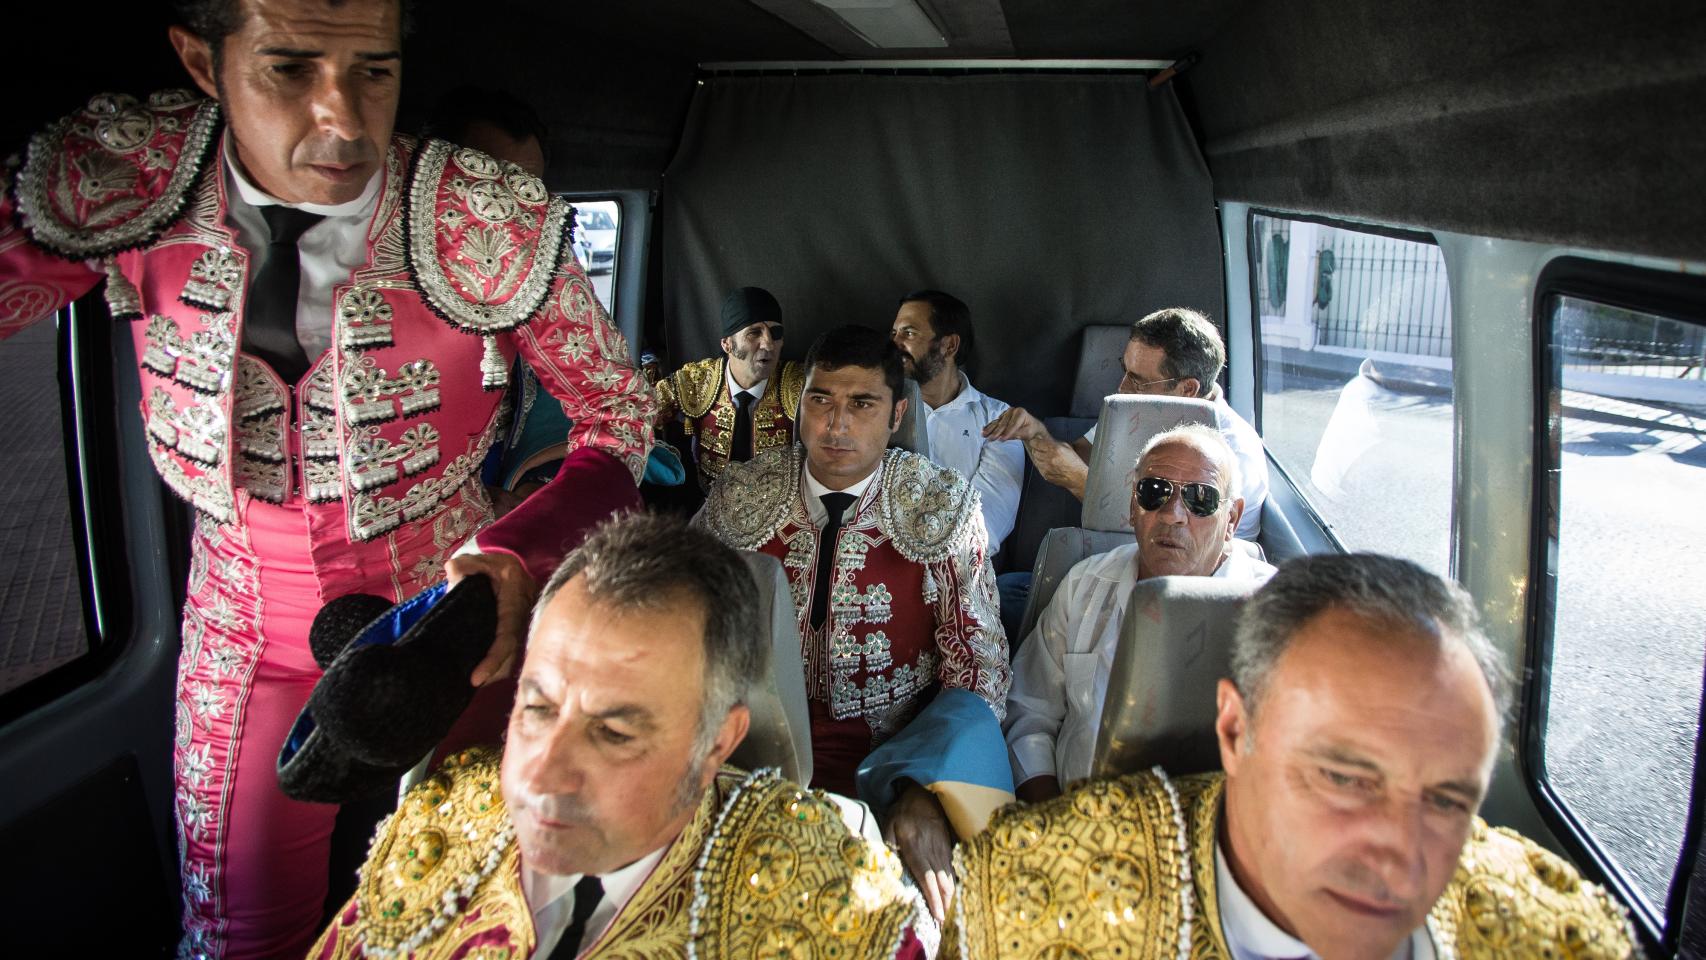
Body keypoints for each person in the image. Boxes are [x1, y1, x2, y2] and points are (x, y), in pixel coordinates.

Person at [0, 1, 653, 956]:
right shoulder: (125, 179)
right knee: (238, 934)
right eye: (290, 70)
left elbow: (622, 417)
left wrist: (512, 564)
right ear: (200, 59)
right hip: (239, 630)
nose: (343, 120)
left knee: (489, 917)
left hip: (451, 618)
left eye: (374, 73)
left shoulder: (483, 214)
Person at [949, 554, 1636, 959]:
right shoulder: (1029, 904)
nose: (1400, 855)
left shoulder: (1556, 935)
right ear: (1234, 732)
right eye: (1343, 777)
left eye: (1448, 799)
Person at [310, 513, 925, 958]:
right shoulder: (439, 821)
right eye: (537, 707)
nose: (538, 775)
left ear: (718, 741)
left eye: (612, 732)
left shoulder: (834, 908)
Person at [694, 324, 1010, 919]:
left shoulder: (942, 505)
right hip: (746, 749)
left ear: (896, 417)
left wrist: (926, 789)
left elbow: (979, 665)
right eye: (821, 400)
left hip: (894, 759)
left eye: (862, 404)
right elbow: (685, 630)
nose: (836, 425)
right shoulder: (740, 495)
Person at [1004, 425, 1275, 801]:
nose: (1173, 515)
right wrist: (1052, 821)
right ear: (1133, 506)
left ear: (1231, 520)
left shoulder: (1278, 618)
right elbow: (1029, 712)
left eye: (1201, 498)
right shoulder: (1084, 584)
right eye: (1154, 492)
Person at [984, 307, 1268, 539]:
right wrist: (1036, 432)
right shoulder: (1144, 409)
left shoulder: (1232, 453)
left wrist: (1079, 481)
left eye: (1139, 381)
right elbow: (1078, 454)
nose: (1122, 388)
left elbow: (1176, 536)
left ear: (1188, 390)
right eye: (1125, 371)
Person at [889, 290, 1023, 555]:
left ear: (949, 345)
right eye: (894, 333)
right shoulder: (877, 410)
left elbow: (988, 523)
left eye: (909, 333)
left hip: (958, 571)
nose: (895, 343)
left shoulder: (997, 418)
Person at [655, 286, 804, 491]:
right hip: (708, 509)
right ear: (727, 344)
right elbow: (638, 415)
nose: (769, 344)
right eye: (754, 333)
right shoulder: (695, 382)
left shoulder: (800, 385)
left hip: (778, 516)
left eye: (775, 333)